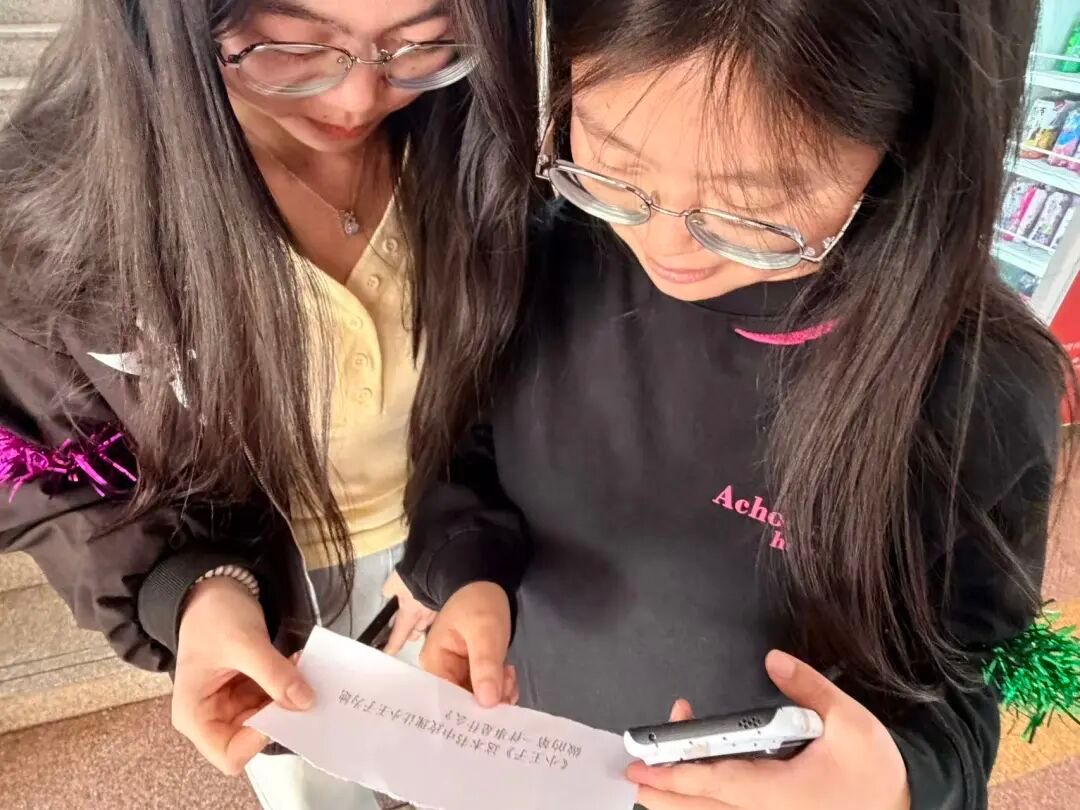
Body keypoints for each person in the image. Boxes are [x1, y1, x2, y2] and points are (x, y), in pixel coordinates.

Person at [400, 1, 1074, 808]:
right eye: (614, 163)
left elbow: (963, 685)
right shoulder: (549, 248)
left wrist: (890, 785)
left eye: (748, 207)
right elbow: (471, 455)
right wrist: (471, 576)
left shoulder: (977, 390)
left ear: (904, 139)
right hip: (534, 750)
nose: (665, 245)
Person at [0, 0, 531, 807]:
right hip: (266, 604)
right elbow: (55, 472)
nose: (358, 99)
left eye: (422, 42)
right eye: (295, 45)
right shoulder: (57, 222)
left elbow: (521, 380)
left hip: (487, 560)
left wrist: (471, 550)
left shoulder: (483, 134)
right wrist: (193, 591)